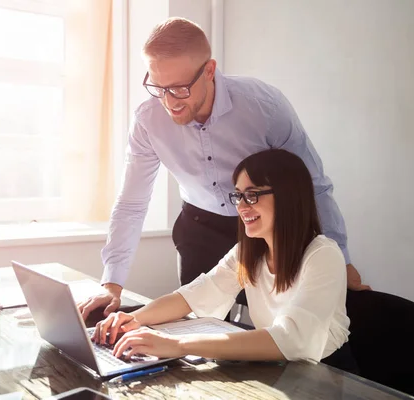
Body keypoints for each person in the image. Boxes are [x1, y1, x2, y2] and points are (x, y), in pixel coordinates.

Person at [78, 17, 369, 320]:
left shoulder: (264, 107)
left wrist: (341, 258)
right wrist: (112, 284)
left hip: (265, 227)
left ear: (209, 71)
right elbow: (131, 204)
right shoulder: (147, 121)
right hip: (199, 226)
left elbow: (314, 185)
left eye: (179, 88)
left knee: (276, 322)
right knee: (195, 325)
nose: (169, 102)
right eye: (158, 86)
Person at [92, 149, 357, 372]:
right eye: (238, 195)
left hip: (327, 373)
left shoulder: (323, 254)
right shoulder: (248, 251)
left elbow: (292, 339)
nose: (241, 207)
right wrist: (134, 319)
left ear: (288, 197)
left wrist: (177, 346)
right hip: (276, 366)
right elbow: (194, 295)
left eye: (252, 195)